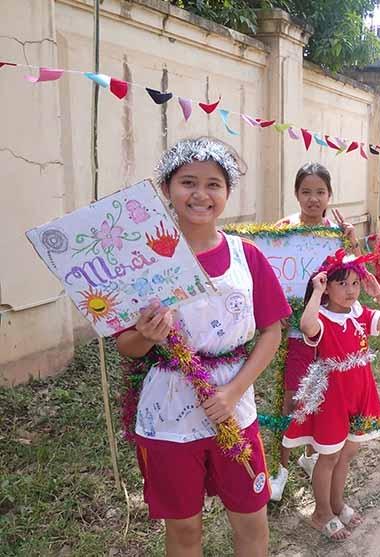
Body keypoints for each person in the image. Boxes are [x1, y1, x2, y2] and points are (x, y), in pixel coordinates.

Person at [116, 137, 290, 556]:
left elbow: (271, 332)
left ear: (227, 193)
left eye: (213, 184)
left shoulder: (246, 257)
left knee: (251, 518)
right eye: (187, 182)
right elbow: (127, 346)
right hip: (168, 411)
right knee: (183, 531)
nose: (200, 194)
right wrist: (146, 335)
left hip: (234, 406)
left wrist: (233, 392)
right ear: (167, 189)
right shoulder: (146, 263)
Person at [282, 252, 380, 540]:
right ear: (327, 288)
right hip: (332, 398)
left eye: (355, 283)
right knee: (328, 455)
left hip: (360, 392)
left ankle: (337, 504)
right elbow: (307, 326)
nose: (350, 290)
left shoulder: (360, 313)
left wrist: (379, 294)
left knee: (348, 452)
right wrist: (317, 291)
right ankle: (321, 512)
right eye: (342, 284)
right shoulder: (321, 316)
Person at [270, 163, 361, 500]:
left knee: (322, 397)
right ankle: (279, 468)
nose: (312, 198)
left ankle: (311, 457)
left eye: (319, 192)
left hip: (329, 333)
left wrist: (352, 243)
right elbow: (271, 274)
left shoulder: (337, 234)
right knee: (291, 399)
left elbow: (356, 276)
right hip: (294, 332)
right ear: (296, 194)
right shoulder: (282, 231)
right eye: (306, 192)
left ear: (329, 195)